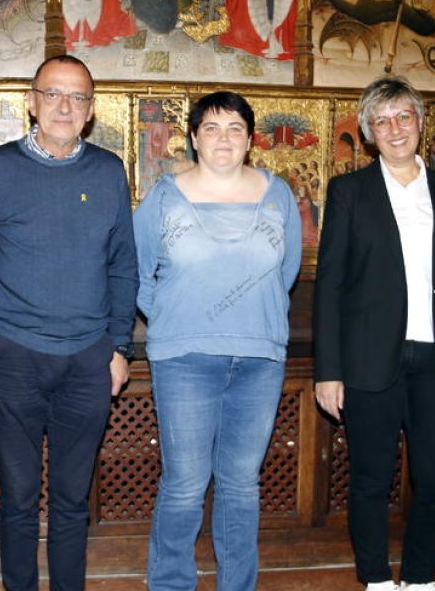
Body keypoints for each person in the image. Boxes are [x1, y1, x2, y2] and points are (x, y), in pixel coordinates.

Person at [0, 55, 138, 591]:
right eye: (52, 94)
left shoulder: (108, 171)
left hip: (88, 361)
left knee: (73, 499)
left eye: (77, 97)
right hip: (12, 356)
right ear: (30, 102)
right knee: (16, 498)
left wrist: (120, 346)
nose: (64, 106)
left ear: (91, 110)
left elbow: (123, 265)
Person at [312, 77, 435, 591]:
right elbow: (331, 285)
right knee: (370, 479)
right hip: (369, 361)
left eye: (403, 117)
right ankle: (377, 580)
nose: (394, 129)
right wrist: (329, 371)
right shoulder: (349, 192)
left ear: (420, 123)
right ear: (367, 133)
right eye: (381, 121)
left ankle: (419, 576)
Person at [133, 91, 302, 590]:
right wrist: (171, 317)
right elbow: (138, 272)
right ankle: (170, 584)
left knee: (241, 486)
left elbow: (285, 272)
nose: (223, 137)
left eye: (234, 128)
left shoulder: (279, 195)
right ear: (192, 138)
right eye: (211, 127)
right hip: (184, 358)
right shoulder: (164, 196)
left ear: (250, 139)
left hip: (259, 359)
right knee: (185, 485)